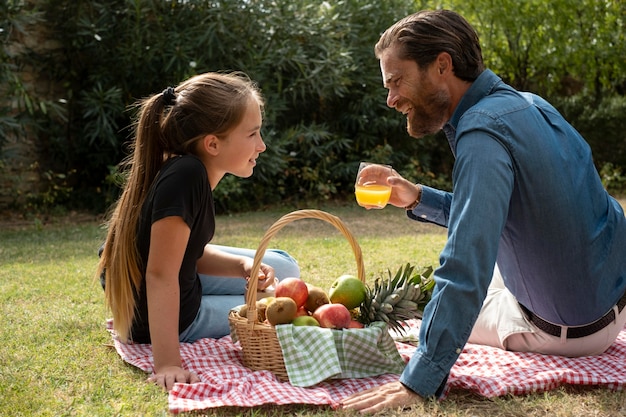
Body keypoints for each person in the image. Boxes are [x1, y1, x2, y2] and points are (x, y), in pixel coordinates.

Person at [343, 9, 626, 414]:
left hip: (576, 333)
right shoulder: (528, 105)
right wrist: (417, 196)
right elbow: (509, 215)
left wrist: (419, 381)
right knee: (486, 277)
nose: (390, 99)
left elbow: (465, 262)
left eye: (396, 80)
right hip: (612, 295)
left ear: (442, 64)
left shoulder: (481, 132)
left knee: (426, 318)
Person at [96, 72, 300, 391]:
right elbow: (161, 274)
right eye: (253, 134)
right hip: (173, 316)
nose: (262, 145)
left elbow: (182, 252)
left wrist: (240, 267)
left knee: (284, 268)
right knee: (277, 305)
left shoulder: (189, 170)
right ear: (213, 143)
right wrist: (167, 363)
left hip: (177, 285)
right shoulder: (187, 176)